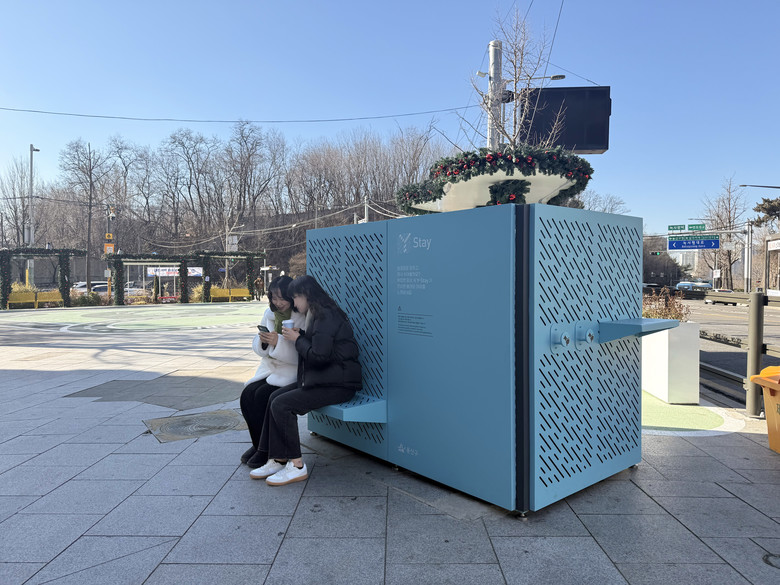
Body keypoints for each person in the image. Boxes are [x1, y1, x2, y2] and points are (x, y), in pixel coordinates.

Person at [249, 274, 362, 486]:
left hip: (339, 384)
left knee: (283, 405)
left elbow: (319, 357)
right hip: (326, 379)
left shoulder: (326, 316)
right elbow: (322, 346)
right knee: (274, 398)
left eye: (295, 297)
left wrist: (298, 339)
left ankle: (297, 465)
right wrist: (301, 334)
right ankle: (277, 458)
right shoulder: (318, 313)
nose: (294, 303)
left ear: (306, 295)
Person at [239, 275, 306, 468]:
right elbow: (258, 344)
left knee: (263, 396)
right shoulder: (270, 313)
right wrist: (263, 341)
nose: (278, 303)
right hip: (270, 368)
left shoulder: (301, 316)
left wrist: (278, 343)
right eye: (274, 298)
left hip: (291, 370)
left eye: (282, 298)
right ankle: (258, 444)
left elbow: (303, 353)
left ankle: (267, 449)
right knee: (247, 395)